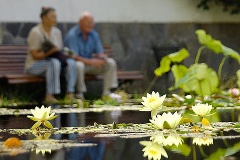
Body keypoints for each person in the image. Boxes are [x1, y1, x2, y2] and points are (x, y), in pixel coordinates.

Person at [25, 7, 76, 103]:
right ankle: (49, 96)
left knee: (71, 62)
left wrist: (65, 54)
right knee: (54, 63)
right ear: (44, 18)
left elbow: (59, 50)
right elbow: (34, 55)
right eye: (52, 17)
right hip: (34, 65)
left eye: (56, 17)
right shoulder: (36, 32)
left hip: (52, 61)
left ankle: (70, 94)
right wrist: (50, 52)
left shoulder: (57, 32)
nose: (55, 19)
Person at [64, 11, 118, 99]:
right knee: (79, 65)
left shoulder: (94, 34)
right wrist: (92, 62)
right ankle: (79, 93)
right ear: (80, 22)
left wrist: (103, 58)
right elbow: (74, 57)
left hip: (89, 66)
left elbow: (100, 53)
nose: (91, 25)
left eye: (92, 23)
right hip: (75, 66)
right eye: (89, 23)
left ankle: (107, 93)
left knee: (110, 62)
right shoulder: (72, 35)